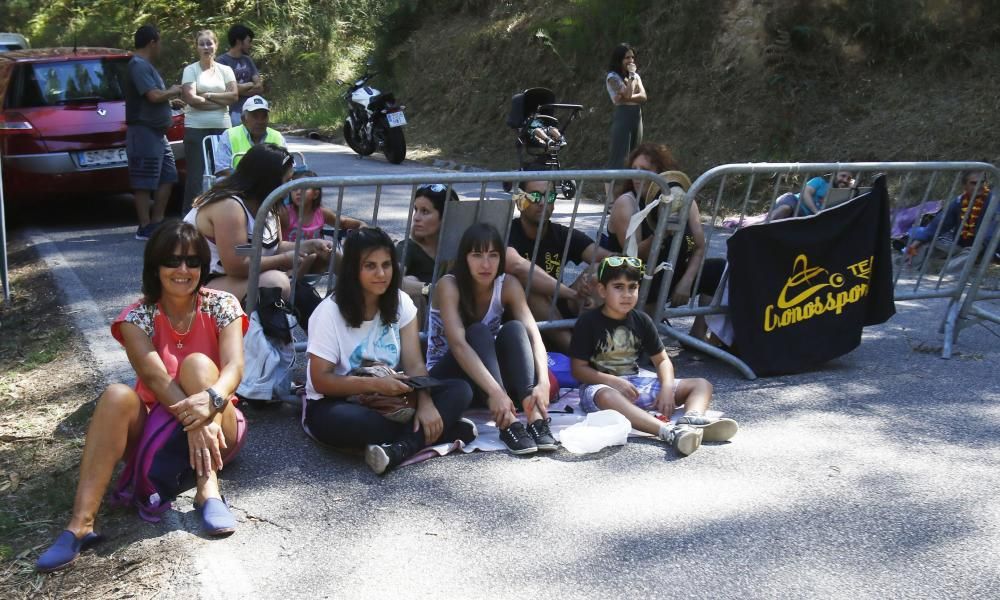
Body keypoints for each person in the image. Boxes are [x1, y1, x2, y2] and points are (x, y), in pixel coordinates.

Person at [35, 221, 250, 572]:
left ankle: (208, 489)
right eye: (173, 261)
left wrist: (209, 404)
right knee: (117, 395)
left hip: (219, 423)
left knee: (197, 365)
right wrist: (193, 422)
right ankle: (80, 524)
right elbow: (157, 380)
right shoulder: (137, 318)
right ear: (155, 266)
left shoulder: (221, 304)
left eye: (193, 261)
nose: (184, 270)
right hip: (163, 427)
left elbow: (234, 369)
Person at [303, 227, 476, 475]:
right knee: (353, 423)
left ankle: (401, 448)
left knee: (460, 390)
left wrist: (426, 403)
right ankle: (444, 430)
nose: (381, 273)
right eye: (370, 266)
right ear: (353, 270)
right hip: (338, 401)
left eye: (387, 264)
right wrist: (377, 386)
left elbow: (415, 365)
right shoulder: (328, 313)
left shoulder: (400, 301)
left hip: (393, 399)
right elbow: (321, 381)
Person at [569, 256, 738, 457]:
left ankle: (691, 421)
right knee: (607, 395)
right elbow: (578, 369)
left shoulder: (641, 320)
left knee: (701, 384)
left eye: (632, 287)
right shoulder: (588, 322)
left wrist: (667, 388)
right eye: (619, 287)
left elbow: (662, 360)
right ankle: (667, 431)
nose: (627, 294)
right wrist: (613, 382)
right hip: (600, 388)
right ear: (603, 291)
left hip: (637, 383)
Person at [427, 223, 555, 455]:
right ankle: (509, 424)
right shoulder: (449, 285)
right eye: (477, 255)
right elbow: (458, 345)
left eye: (493, 255)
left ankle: (534, 416)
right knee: (477, 331)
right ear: (464, 258)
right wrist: (496, 392)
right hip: (451, 380)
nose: (486, 264)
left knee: (515, 328)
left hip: (491, 381)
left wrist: (542, 382)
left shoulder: (507, 285)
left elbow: (533, 333)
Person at [184, 143, 333, 302]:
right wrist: (285, 259)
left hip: (232, 278)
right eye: (288, 180)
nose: (291, 187)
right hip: (199, 282)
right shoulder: (230, 206)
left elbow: (274, 247)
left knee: (329, 254)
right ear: (268, 180)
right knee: (275, 282)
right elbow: (238, 265)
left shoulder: (267, 203)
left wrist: (308, 245)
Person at [607, 143, 724, 340]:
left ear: (661, 174)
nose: (637, 175)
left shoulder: (683, 200)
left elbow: (699, 246)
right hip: (633, 277)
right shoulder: (626, 203)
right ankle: (644, 333)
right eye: (633, 169)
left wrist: (686, 281)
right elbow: (633, 255)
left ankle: (698, 334)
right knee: (655, 267)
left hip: (671, 273)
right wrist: (661, 232)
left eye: (644, 170)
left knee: (718, 269)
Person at [507, 179, 611, 351]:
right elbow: (516, 265)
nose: (542, 202)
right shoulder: (508, 231)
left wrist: (591, 280)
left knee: (603, 269)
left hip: (557, 308)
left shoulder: (561, 234)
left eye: (549, 196)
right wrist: (572, 294)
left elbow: (603, 257)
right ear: (520, 201)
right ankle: (575, 351)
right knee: (527, 286)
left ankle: (606, 345)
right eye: (535, 196)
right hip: (518, 318)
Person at [124, 25, 183, 241]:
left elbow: (158, 96)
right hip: (143, 131)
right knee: (144, 180)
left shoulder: (147, 66)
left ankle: (157, 222)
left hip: (158, 133)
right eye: (160, 42)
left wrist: (170, 100)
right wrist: (173, 90)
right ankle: (144, 226)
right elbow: (153, 96)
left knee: (168, 176)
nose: (161, 46)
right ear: (152, 42)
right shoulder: (138, 65)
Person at [181, 29, 238, 213]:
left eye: (209, 43)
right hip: (196, 128)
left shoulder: (226, 70)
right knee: (197, 177)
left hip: (222, 127)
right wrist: (220, 101)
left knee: (223, 174)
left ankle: (223, 213)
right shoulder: (190, 70)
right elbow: (191, 99)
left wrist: (208, 95)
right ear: (196, 47)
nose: (206, 47)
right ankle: (190, 216)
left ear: (216, 45)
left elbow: (234, 96)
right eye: (202, 44)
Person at [907, 170, 999, 273]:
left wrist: (980, 246)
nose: (979, 186)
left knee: (969, 254)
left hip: (985, 248)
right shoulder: (959, 201)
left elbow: (991, 233)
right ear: (964, 185)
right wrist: (916, 243)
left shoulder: (994, 201)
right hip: (961, 246)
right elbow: (939, 224)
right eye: (974, 183)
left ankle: (944, 277)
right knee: (923, 246)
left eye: (982, 182)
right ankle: (912, 271)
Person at [280, 169, 365, 242]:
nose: (298, 192)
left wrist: (361, 224)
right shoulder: (285, 213)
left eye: (304, 188)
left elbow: (342, 222)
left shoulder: (321, 213)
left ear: (315, 194)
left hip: (317, 257)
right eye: (294, 188)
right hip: (292, 258)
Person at [213, 95, 286, 177]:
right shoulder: (230, 135)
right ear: (243, 119)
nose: (260, 121)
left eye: (264, 116)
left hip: (272, 185)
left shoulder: (277, 136)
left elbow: (288, 166)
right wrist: (250, 180)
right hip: (237, 184)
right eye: (255, 116)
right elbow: (222, 169)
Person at [606, 43, 647, 170]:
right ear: (619, 59)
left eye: (632, 58)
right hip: (623, 115)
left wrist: (627, 98)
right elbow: (628, 93)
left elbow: (643, 96)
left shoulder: (635, 76)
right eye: (627, 58)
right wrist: (631, 78)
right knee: (619, 157)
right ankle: (611, 188)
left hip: (636, 116)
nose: (631, 61)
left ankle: (629, 188)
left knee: (634, 154)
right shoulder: (612, 77)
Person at [215, 24, 264, 127]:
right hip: (233, 112)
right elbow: (228, 90)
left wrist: (239, 90)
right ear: (238, 41)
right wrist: (250, 84)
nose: (250, 45)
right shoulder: (221, 61)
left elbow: (259, 87)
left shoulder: (248, 60)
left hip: (253, 110)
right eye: (248, 41)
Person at [769, 171, 856, 221]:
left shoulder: (845, 193)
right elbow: (805, 193)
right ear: (835, 174)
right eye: (843, 176)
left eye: (848, 178)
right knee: (785, 209)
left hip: (807, 217)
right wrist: (816, 212)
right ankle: (766, 226)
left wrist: (852, 189)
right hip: (796, 202)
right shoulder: (819, 181)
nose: (845, 180)